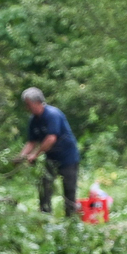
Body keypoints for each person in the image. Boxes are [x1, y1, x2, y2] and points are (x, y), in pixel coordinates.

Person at [16, 87, 81, 215]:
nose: (27, 108)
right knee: (44, 186)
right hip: (51, 158)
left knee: (69, 189)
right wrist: (21, 156)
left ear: (36, 102)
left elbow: (51, 138)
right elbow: (31, 142)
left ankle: (71, 219)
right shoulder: (33, 120)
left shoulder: (52, 114)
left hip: (67, 157)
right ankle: (45, 215)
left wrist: (35, 155)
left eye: (28, 104)